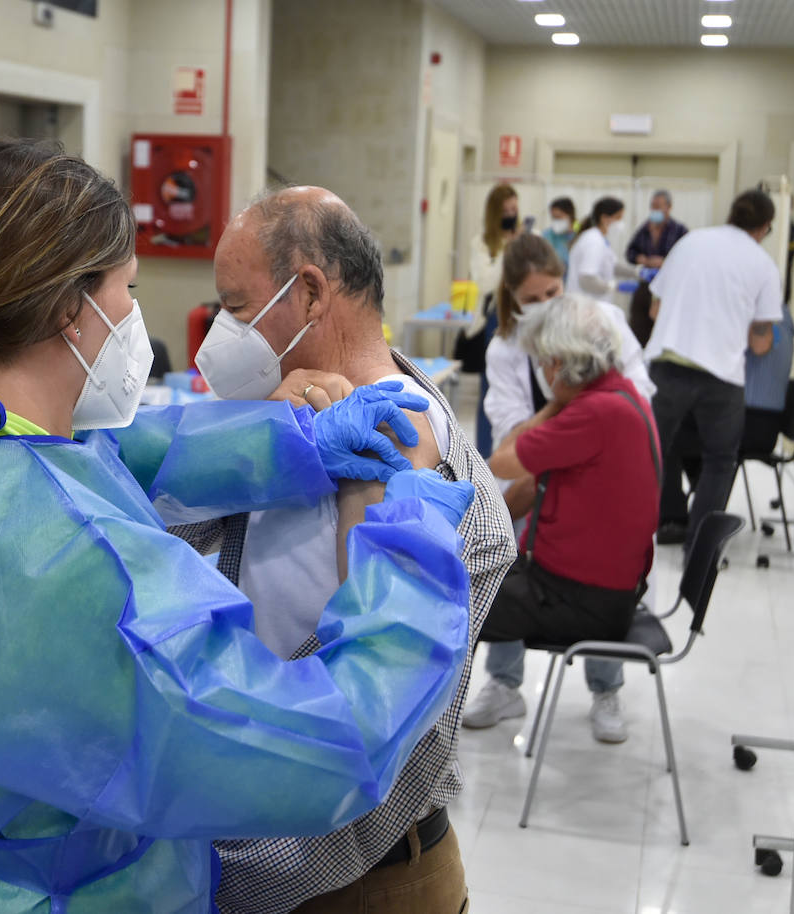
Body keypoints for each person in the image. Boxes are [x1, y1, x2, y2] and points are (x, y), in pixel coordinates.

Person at [0, 141, 478, 912]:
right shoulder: (81, 562)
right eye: (129, 289)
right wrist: (410, 544)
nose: (136, 316)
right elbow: (329, 750)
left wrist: (298, 441)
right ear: (72, 309)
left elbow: (139, 452)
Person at [194, 186, 517, 914]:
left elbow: (385, 729)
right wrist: (247, 442)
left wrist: (224, 867)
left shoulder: (402, 441)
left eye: (237, 307)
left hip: (354, 881)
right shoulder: (299, 413)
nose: (220, 333)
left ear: (309, 291)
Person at [466, 233, 655, 742]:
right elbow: (509, 436)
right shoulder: (506, 349)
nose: (545, 306)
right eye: (533, 299)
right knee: (506, 540)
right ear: (512, 297)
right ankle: (505, 684)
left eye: (553, 293)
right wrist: (559, 427)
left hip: (588, 465)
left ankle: (604, 684)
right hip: (545, 462)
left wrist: (566, 418)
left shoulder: (600, 326)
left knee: (580, 565)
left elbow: (635, 388)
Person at [647, 189, 781, 554]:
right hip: (722, 378)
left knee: (651, 452)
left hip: (667, 367)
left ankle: (640, 536)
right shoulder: (763, 264)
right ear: (765, 226)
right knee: (720, 462)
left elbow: (655, 311)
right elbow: (759, 342)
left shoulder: (690, 242)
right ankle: (701, 551)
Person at [466, 183, 521, 456]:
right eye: (506, 210)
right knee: (489, 390)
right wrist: (506, 250)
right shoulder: (481, 243)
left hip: (520, 318)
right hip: (493, 320)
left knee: (518, 387)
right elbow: (486, 283)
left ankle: (513, 453)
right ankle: (485, 456)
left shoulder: (523, 237)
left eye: (514, 209)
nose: (511, 215)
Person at [625, 190, 689, 346]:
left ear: (668, 207)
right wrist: (643, 259)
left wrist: (665, 262)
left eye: (658, 206)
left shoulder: (679, 230)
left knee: (662, 329)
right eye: (652, 206)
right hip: (645, 285)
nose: (654, 210)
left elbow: (688, 257)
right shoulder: (645, 229)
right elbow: (630, 253)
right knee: (638, 329)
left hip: (667, 287)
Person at [566, 196, 628, 298]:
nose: (620, 223)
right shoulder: (593, 242)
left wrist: (637, 272)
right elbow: (586, 279)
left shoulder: (599, 239)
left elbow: (611, 265)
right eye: (618, 218)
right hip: (584, 306)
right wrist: (614, 286)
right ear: (604, 218)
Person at [540, 196, 576, 268]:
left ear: (570, 215)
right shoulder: (547, 235)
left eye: (558, 217)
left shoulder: (579, 235)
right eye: (553, 217)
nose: (556, 221)